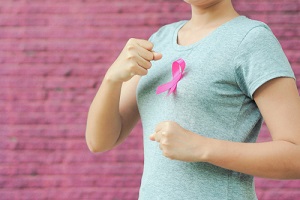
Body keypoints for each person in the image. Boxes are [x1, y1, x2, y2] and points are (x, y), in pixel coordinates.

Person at [85, 0, 300, 199]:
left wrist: (202, 148)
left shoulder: (252, 40)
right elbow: (100, 141)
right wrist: (111, 79)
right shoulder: (159, 41)